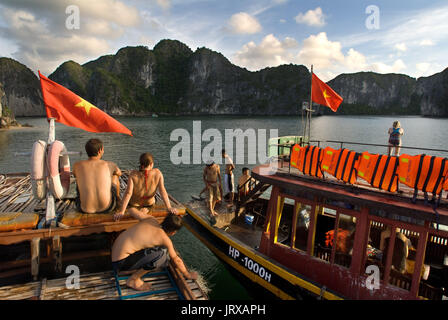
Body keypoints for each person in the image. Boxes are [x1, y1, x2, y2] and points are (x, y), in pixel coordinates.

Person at [111, 214, 198, 291]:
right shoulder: (165, 239)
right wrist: (188, 275)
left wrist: (143, 212)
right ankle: (133, 279)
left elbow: (132, 210)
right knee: (162, 254)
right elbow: (176, 259)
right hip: (120, 263)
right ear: (173, 232)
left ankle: (124, 271)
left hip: (115, 256)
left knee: (156, 248)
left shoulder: (151, 219)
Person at [114, 153, 177, 221]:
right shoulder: (158, 173)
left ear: (141, 164)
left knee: (128, 208)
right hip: (149, 205)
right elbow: (162, 191)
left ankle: (139, 214)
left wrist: (122, 211)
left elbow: (128, 193)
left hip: (134, 205)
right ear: (151, 164)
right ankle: (144, 213)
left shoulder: (133, 175)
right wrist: (169, 207)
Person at [73, 138, 121, 214]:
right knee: (115, 176)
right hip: (108, 207)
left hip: (84, 209)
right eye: (103, 150)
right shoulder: (110, 164)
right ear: (100, 151)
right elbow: (119, 173)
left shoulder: (77, 165)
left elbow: (75, 174)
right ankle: (118, 200)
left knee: (79, 180)